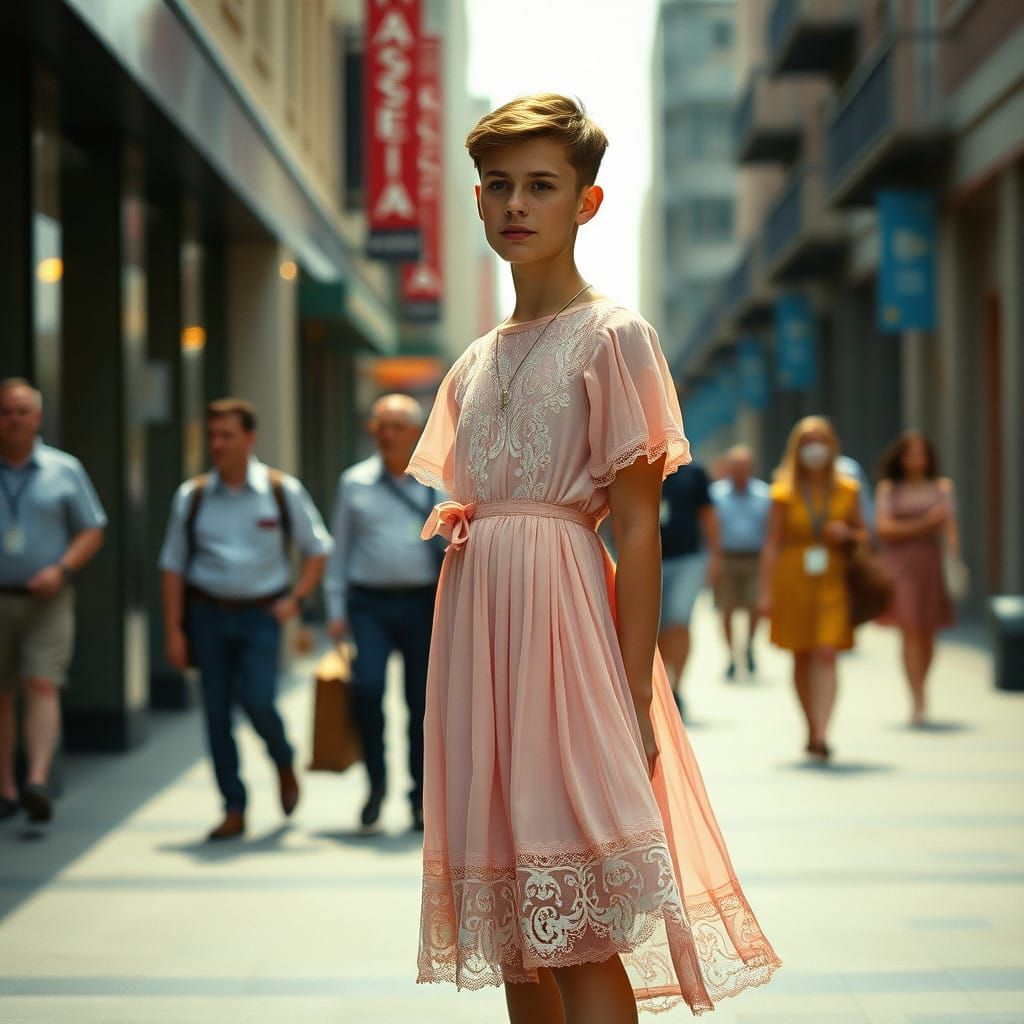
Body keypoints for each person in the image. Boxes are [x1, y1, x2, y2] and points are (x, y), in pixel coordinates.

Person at [406, 94, 779, 1023]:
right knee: (518, 944)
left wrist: (636, 692)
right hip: (477, 644)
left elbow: (641, 530)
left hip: (565, 641)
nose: (515, 205)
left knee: (579, 931)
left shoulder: (615, 337)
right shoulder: (473, 360)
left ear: (587, 202)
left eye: (541, 185)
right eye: (497, 187)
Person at [159, 399, 332, 841]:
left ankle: (282, 757)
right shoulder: (193, 495)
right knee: (216, 713)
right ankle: (233, 807)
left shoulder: (279, 489)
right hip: (207, 616)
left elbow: (317, 548)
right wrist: (174, 630)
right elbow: (173, 566)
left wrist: (296, 599)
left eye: (226, 436)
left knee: (258, 700)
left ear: (249, 439)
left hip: (261, 615)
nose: (216, 444)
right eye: (212, 435)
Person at [324, 394, 441, 832]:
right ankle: (375, 783)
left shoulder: (437, 482)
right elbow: (340, 551)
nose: (387, 434)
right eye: (380, 426)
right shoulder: (354, 483)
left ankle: (419, 798)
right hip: (368, 604)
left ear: (416, 432)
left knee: (421, 705)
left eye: (397, 426)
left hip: (422, 605)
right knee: (368, 690)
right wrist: (335, 609)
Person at [0, 378, 106, 823]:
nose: (13, 419)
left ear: (38, 417)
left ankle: (37, 780)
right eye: (6, 411)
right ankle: (4, 788)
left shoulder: (64, 470)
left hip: (48, 596)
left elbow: (92, 528)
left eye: (22, 411)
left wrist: (62, 570)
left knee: (42, 682)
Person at [758, 416, 865, 761]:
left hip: (833, 577)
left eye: (820, 441)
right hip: (794, 577)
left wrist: (847, 535)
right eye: (807, 442)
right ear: (796, 449)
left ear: (832, 446)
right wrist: (766, 593)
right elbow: (772, 543)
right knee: (802, 654)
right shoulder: (782, 491)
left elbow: (865, 535)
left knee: (827, 651)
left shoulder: (848, 489)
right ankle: (810, 724)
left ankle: (822, 732)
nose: (814, 449)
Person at [875, 431, 958, 726]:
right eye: (910, 453)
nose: (916, 459)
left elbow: (950, 531)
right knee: (909, 628)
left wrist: (954, 562)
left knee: (927, 631)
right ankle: (917, 697)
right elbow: (884, 529)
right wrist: (924, 524)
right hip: (900, 566)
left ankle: (923, 686)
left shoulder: (941, 487)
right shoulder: (889, 489)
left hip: (931, 564)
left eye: (921, 453)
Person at [657, 460, 720, 716]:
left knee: (679, 620)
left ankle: (676, 687)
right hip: (647, 560)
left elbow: (708, 516)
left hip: (688, 560)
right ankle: (659, 685)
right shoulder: (634, 463)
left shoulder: (694, 473)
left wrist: (715, 557)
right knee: (654, 627)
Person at [710, 445, 771, 680]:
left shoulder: (764, 495)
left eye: (743, 467)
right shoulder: (715, 495)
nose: (739, 472)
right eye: (735, 467)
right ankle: (732, 656)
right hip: (726, 558)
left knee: (756, 605)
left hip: (756, 559)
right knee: (726, 609)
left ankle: (750, 646)